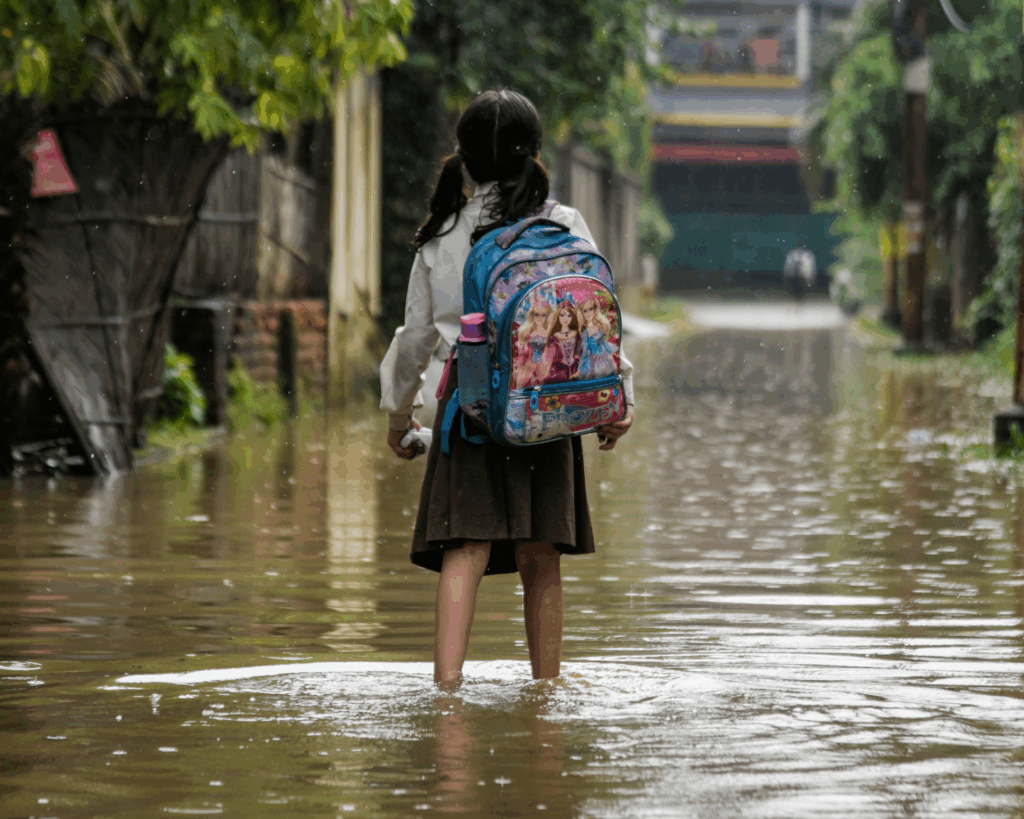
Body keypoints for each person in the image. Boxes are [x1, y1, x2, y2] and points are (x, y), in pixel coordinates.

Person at [379, 89, 635, 685]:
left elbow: (416, 337)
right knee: (541, 556)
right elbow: (596, 321)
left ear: (464, 160)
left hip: (466, 410)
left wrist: (398, 420)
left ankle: (447, 695)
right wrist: (618, 399)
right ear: (534, 154)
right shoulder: (563, 224)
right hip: (545, 405)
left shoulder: (441, 234)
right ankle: (547, 696)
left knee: (462, 551)